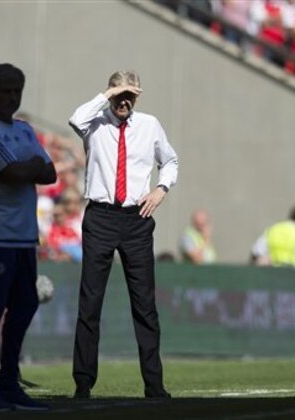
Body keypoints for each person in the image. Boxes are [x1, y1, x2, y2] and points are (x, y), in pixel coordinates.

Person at [68, 70, 178, 399]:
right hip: (100, 216)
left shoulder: (149, 125)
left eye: (132, 95)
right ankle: (83, 383)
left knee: (144, 305)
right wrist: (108, 93)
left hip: (136, 218)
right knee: (90, 303)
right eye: (120, 94)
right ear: (111, 93)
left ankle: (154, 384)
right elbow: (74, 119)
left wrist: (161, 189)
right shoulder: (95, 121)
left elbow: (170, 160)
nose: (125, 101)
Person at [0, 63, 56, 412]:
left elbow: (50, 173)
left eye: (17, 89)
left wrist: (30, 168)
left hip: (24, 236)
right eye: (5, 90)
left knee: (25, 305)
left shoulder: (25, 129)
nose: (12, 96)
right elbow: (14, 172)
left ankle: (8, 381)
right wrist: (29, 167)